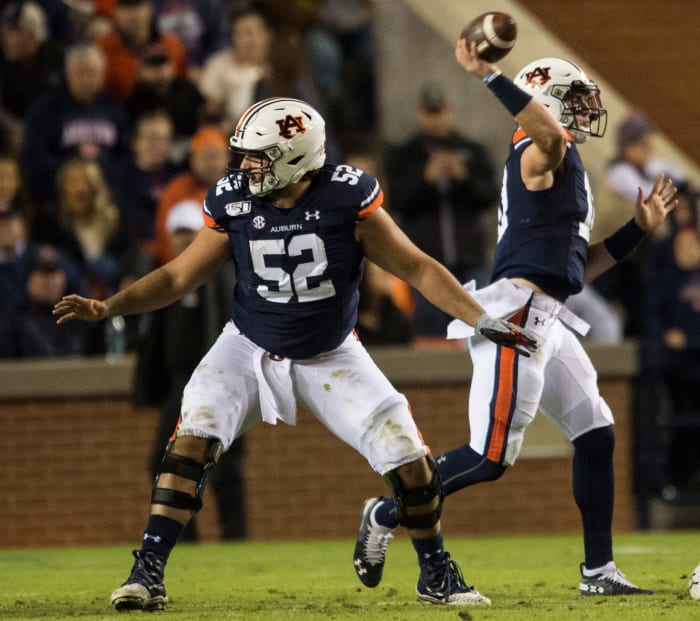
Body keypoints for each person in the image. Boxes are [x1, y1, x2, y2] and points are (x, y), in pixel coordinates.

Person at [53, 96, 537, 610]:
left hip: (330, 351)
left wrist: (478, 316)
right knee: (193, 435)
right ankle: (147, 571)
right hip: (246, 343)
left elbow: (416, 267)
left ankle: (436, 573)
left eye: (258, 156)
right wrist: (110, 307)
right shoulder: (234, 199)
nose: (245, 167)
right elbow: (177, 276)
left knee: (409, 460)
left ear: (295, 157)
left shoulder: (347, 199)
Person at [351, 41, 679, 597]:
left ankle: (598, 571)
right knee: (489, 457)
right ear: (543, 102)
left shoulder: (561, 161)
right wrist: (491, 75)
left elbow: (574, 270)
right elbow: (547, 133)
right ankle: (384, 514)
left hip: (549, 312)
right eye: (571, 99)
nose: (583, 109)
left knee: (596, 434)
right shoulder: (539, 149)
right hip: (517, 318)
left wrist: (635, 231)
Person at [132, 199, 246, 542]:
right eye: (177, 232)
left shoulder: (224, 275)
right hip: (181, 385)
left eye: (189, 232)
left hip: (223, 381)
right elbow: (155, 342)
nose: (183, 239)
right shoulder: (169, 278)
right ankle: (187, 538)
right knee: (167, 460)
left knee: (227, 466)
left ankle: (235, 539)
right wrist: (148, 386)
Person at [385, 82, 499, 340]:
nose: (436, 119)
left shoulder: (471, 150)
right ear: (420, 114)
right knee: (432, 334)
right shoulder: (406, 155)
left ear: (450, 111)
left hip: (469, 259)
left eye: (440, 112)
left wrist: (464, 178)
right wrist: (426, 179)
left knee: (478, 330)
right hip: (426, 263)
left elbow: (489, 197)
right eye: (430, 113)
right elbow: (398, 201)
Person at [20, 42, 130, 204]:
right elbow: (34, 155)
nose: (86, 80)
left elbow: (125, 155)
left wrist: (102, 175)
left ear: (102, 75)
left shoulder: (113, 109)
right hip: (60, 195)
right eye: (80, 73)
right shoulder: (46, 107)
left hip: (107, 195)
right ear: (68, 74)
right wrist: (72, 175)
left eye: (92, 74)